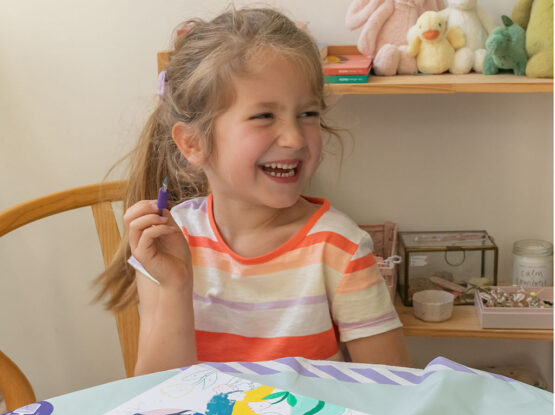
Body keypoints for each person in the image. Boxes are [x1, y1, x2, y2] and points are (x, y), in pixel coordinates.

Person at [96, 7, 409, 375]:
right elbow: (157, 397)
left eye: (308, 114)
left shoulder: (340, 247)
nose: (295, 138)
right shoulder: (167, 244)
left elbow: (396, 388)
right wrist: (175, 286)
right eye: (264, 116)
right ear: (194, 143)